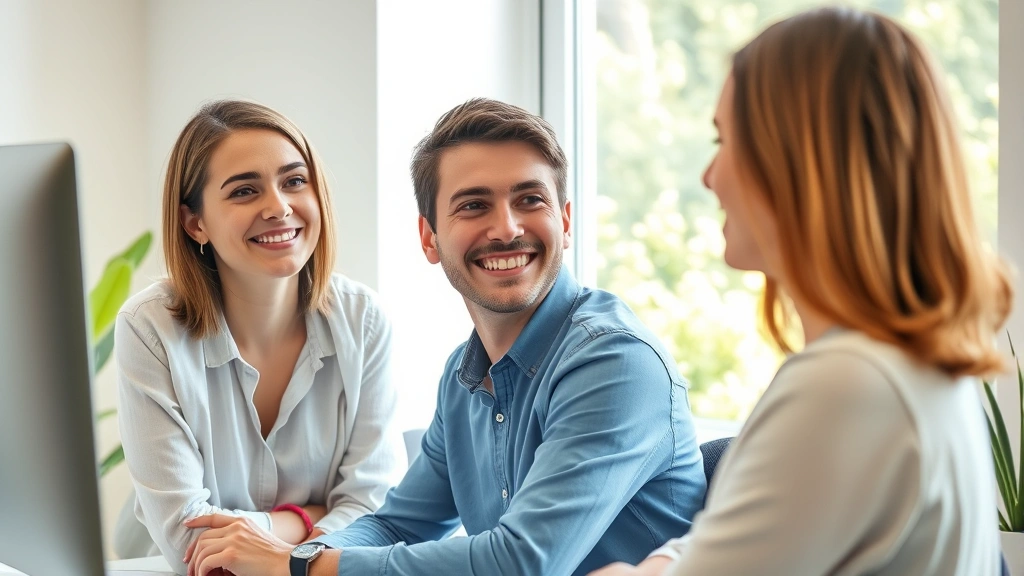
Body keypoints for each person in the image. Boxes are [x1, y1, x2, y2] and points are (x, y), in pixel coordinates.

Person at [181, 98, 707, 576]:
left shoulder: (614, 362)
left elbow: (523, 562)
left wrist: (297, 568)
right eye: (474, 205)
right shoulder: (464, 379)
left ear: (565, 222)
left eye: (529, 200)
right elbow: (396, 526)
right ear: (429, 238)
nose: (506, 228)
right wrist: (294, 557)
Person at [589, 6, 1012, 576]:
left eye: (725, 140)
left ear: (796, 161)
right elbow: (757, 538)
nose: (708, 177)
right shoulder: (913, 365)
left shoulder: (845, 387)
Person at [113, 100, 405, 574]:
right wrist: (299, 519)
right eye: (245, 191)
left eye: (294, 181)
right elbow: (191, 542)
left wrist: (273, 549)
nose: (279, 206)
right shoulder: (150, 329)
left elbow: (374, 509)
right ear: (195, 223)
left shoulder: (363, 320)